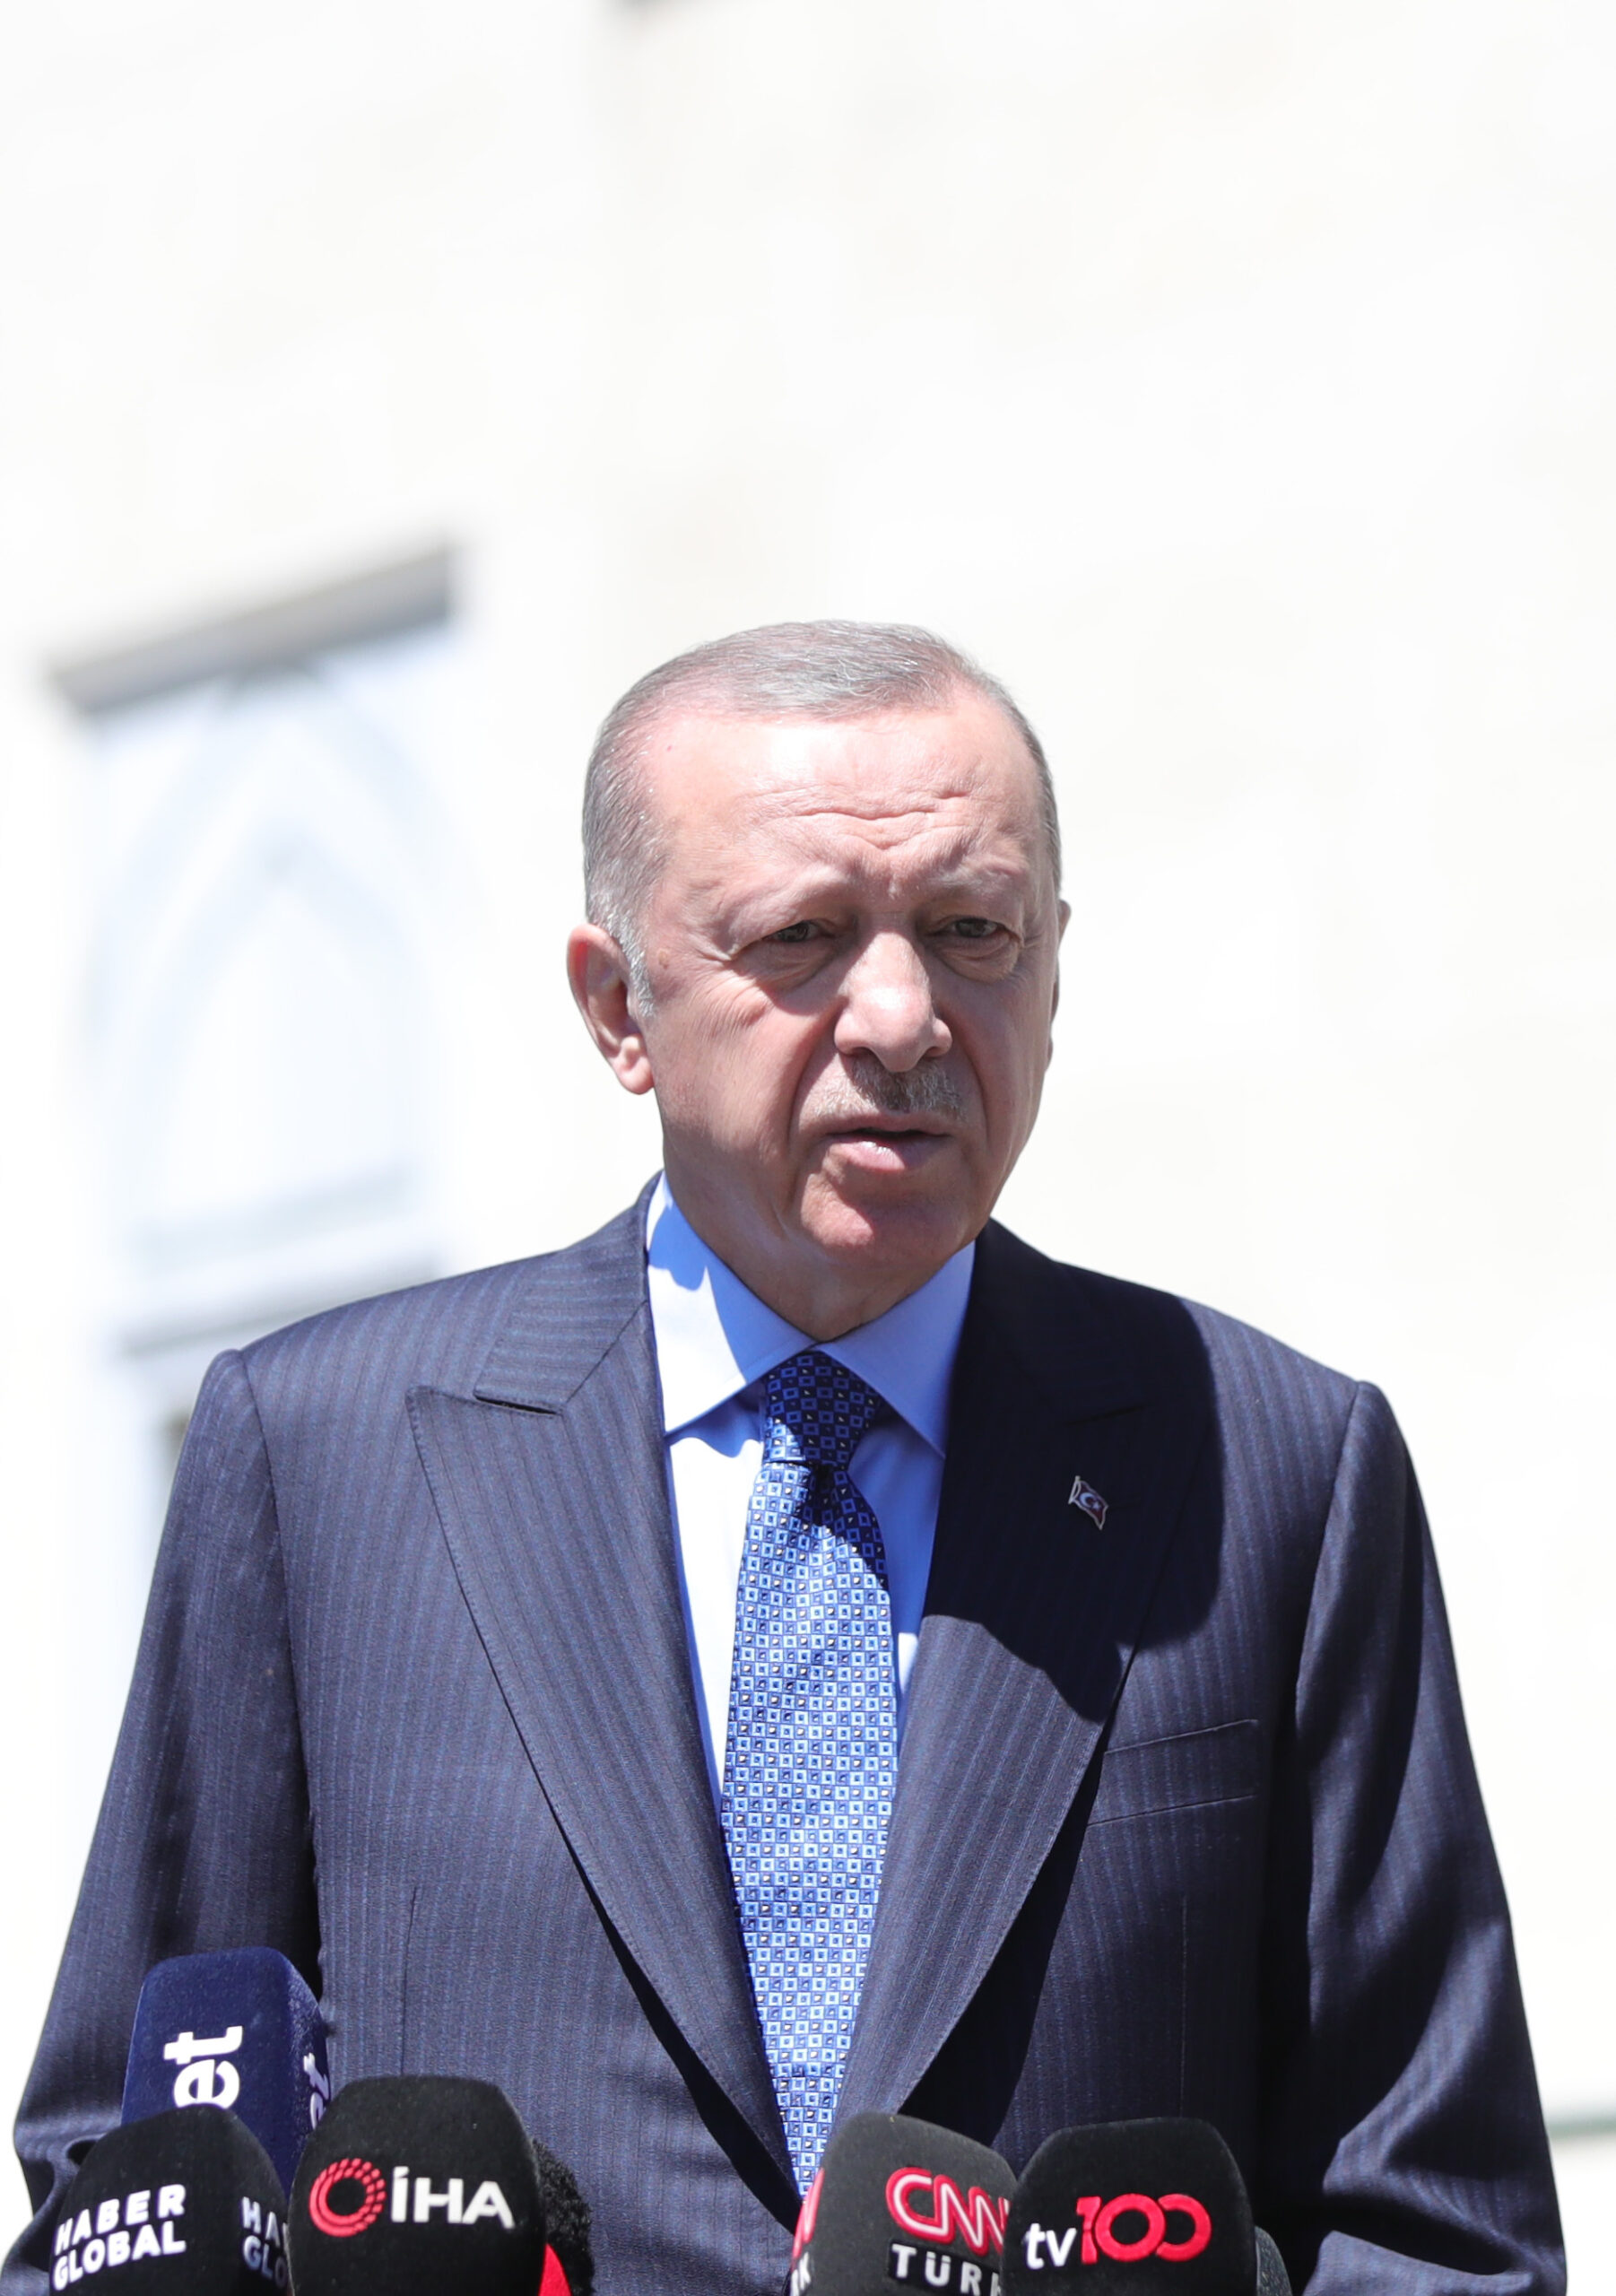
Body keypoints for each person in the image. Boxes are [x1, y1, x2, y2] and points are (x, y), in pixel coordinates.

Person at [6, 622, 1562, 2295]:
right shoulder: (322, 1456)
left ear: (1052, 968)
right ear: (618, 1006)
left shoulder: (1273, 1468)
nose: (901, 1016)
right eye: (802, 938)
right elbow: (135, 2176)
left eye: (971, 932)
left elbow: (1431, 2226)